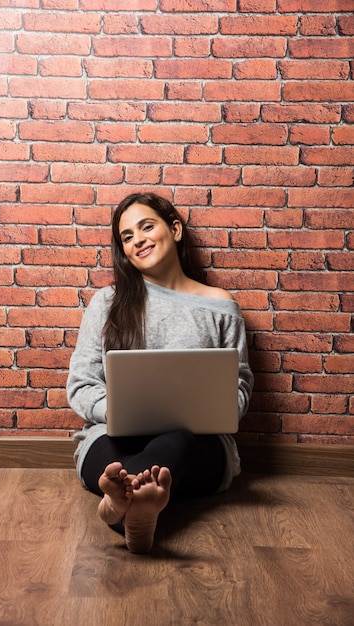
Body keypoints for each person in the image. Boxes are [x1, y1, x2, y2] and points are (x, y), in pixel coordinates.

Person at [67, 192, 253, 554]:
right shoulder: (107, 302)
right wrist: (115, 412)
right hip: (115, 437)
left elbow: (240, 385)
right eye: (127, 236)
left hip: (196, 444)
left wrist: (220, 409)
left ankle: (119, 506)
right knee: (115, 457)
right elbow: (81, 382)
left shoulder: (220, 305)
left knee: (177, 442)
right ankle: (139, 505)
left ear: (176, 229)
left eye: (146, 226)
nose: (137, 240)